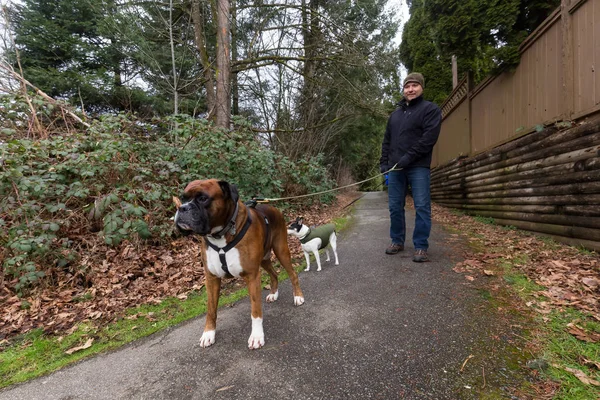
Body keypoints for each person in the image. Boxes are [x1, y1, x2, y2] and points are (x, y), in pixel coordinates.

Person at [379, 72, 442, 262]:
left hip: (418, 167)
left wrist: (407, 158)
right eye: (407, 86)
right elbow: (387, 141)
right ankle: (397, 240)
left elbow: (428, 139)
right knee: (394, 207)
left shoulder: (430, 109)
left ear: (421, 88)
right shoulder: (395, 115)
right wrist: (384, 164)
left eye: (415, 85)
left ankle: (421, 246)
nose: (410, 89)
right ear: (403, 89)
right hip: (395, 169)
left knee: (422, 206)